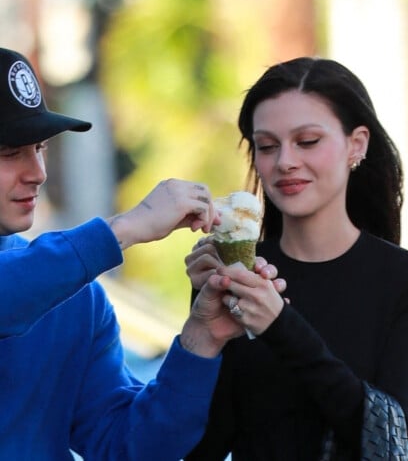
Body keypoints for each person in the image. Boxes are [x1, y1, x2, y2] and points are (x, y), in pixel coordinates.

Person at [0, 47, 286, 460]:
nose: (37, 172)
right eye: (10, 153)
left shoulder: (78, 299)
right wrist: (124, 229)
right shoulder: (62, 278)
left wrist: (202, 337)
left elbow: (130, 448)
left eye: (41, 148)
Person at [184, 57, 408, 460]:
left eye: (307, 141)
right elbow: (203, 445)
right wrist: (202, 333)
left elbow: (385, 435)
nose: (285, 161)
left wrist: (279, 325)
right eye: (267, 146)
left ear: (356, 145)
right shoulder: (239, 277)